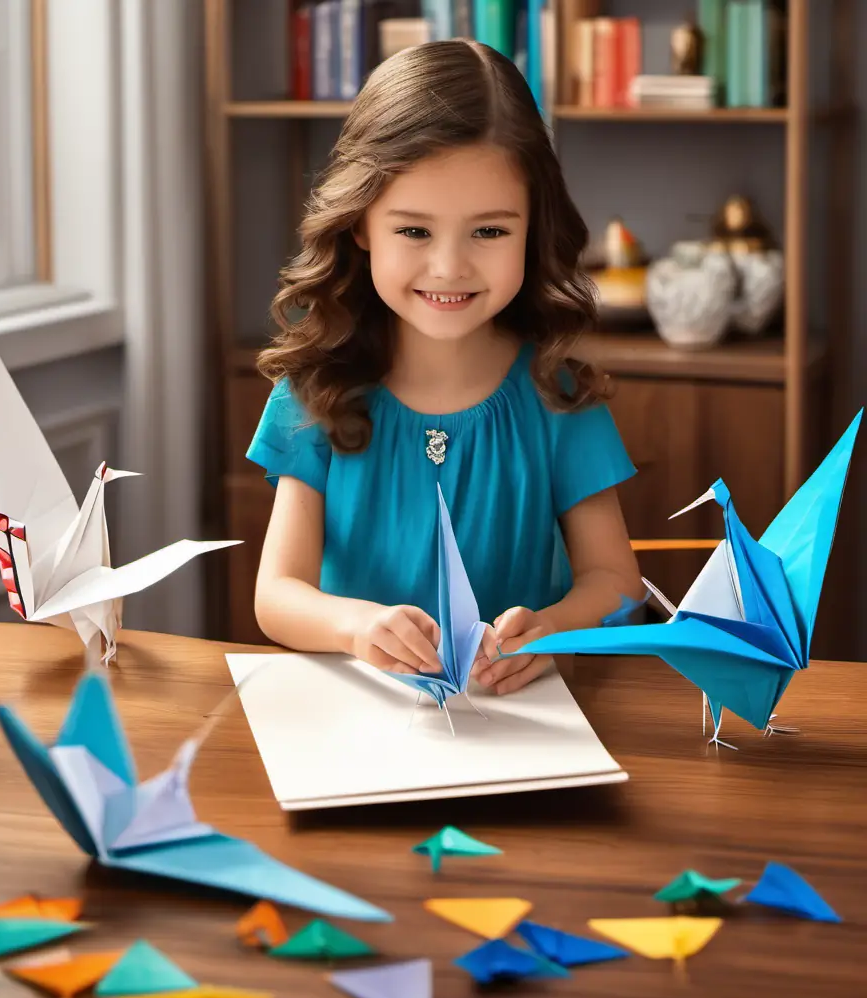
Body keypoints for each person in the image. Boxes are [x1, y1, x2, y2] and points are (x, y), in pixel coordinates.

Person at [246, 39, 646, 696]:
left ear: (533, 229)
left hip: (521, 725)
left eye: (489, 231)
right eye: (414, 231)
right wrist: (356, 628)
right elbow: (277, 594)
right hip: (356, 726)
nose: (450, 267)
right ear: (360, 226)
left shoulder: (560, 394)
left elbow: (617, 585)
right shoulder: (314, 389)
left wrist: (553, 631)